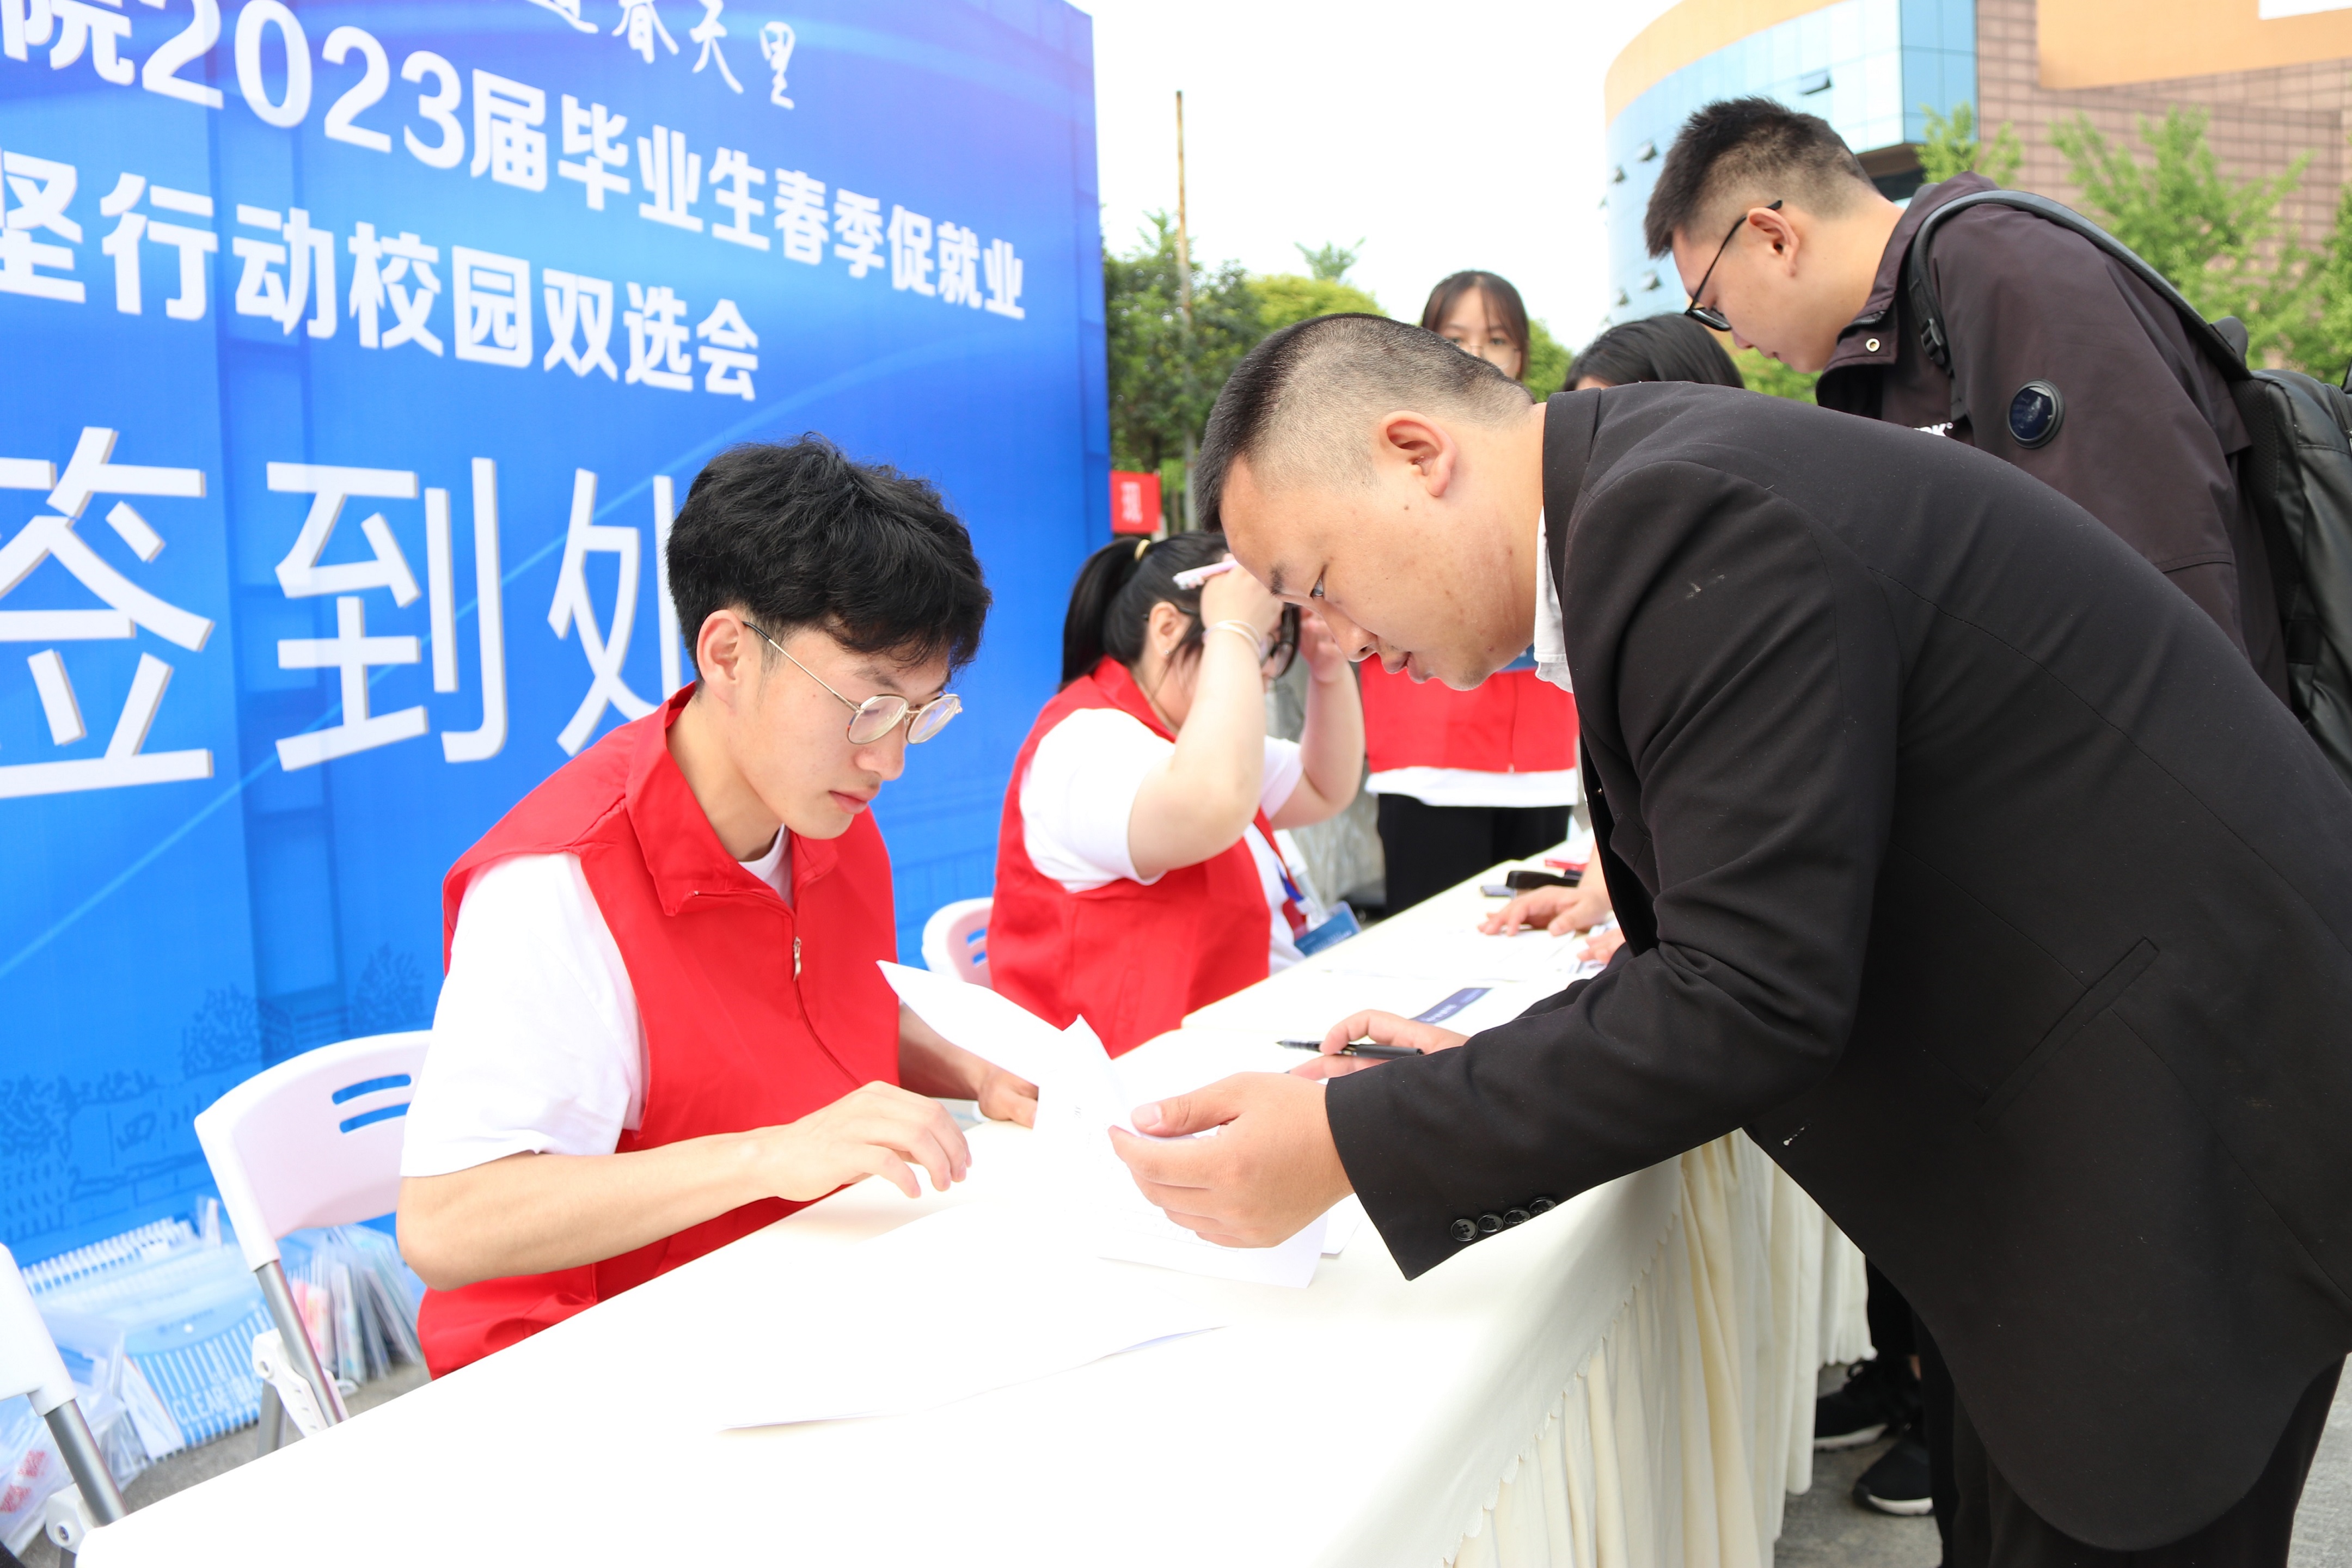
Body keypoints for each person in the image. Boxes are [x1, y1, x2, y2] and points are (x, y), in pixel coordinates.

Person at [1108, 314, 2352, 1568]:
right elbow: (1728, 938)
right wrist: (1458, 1079)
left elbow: (1748, 994)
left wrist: (1349, 1141)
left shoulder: (1685, 518)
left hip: (2173, 1147)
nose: (1343, 636)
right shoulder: (1652, 495)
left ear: (1417, 452)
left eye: (1320, 581)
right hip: (2099, 1121)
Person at [1644, 94, 2300, 1527]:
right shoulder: (1891, 359)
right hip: (2071, 971)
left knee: (2145, 1456)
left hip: (2164, 964)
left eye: (1714, 299)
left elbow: (2159, 634)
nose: (1732, 335)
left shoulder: (2006, 273)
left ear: (1771, 231)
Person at [396, 438, 1038, 1376]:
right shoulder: (560, 886)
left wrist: (975, 1071)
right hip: (598, 1359)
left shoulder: (829, 819)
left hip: (800, 1300)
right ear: (730, 652)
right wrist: (766, 1157)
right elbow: (445, 1224)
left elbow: (820, 1002)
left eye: (921, 714)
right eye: (870, 706)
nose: (890, 760)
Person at [988, 532, 1362, 1057]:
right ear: (1167, 629)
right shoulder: (1081, 745)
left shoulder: (1193, 736)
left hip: (1232, 1039)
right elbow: (1211, 805)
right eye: (1258, 644)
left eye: (1272, 648)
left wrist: (1328, 673)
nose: (1263, 673)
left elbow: (1323, 788)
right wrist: (1234, 632)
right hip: (1134, 1074)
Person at [1481, 311, 1748, 963]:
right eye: (1587, 446)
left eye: (1628, 430)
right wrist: (1602, 893)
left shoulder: (1750, 598)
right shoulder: (1598, 591)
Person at [1355, 271, 1582, 914]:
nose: (1477, 354)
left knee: (1540, 951)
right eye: (1455, 338)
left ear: (1522, 354)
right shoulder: (1379, 457)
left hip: (1539, 758)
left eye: (1497, 339)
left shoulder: (1552, 448)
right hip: (1427, 756)